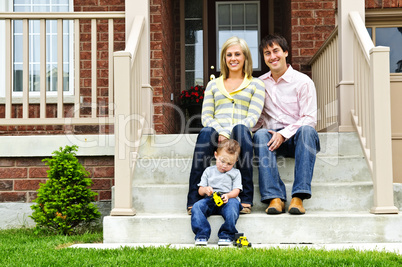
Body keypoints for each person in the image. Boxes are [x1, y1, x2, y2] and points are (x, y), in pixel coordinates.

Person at [186, 36, 265, 215]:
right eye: (229, 54)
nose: (233, 58)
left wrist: (228, 133)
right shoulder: (213, 85)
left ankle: (245, 199)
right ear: (224, 58)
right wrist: (220, 131)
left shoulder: (256, 84)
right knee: (206, 132)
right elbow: (206, 115)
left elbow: (253, 116)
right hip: (216, 134)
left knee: (241, 130)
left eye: (237, 54)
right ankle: (194, 198)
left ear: (245, 57)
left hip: (239, 135)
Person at [253, 34, 320, 215]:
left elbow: (310, 118)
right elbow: (257, 118)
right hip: (271, 141)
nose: (272, 56)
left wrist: (284, 133)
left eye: (276, 51)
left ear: (285, 53)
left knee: (307, 130)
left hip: (298, 138)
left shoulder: (303, 81)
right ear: (264, 58)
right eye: (267, 53)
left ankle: (298, 197)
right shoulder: (259, 84)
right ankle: (275, 198)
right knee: (259, 135)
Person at [191, 139, 242, 246]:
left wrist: (228, 195)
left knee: (233, 207)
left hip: (228, 200)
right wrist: (205, 190)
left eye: (229, 163)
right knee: (197, 207)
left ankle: (226, 234)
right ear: (216, 155)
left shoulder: (236, 173)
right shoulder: (208, 171)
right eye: (222, 161)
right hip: (210, 199)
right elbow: (200, 190)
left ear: (236, 161)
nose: (224, 165)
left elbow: (236, 190)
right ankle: (202, 234)